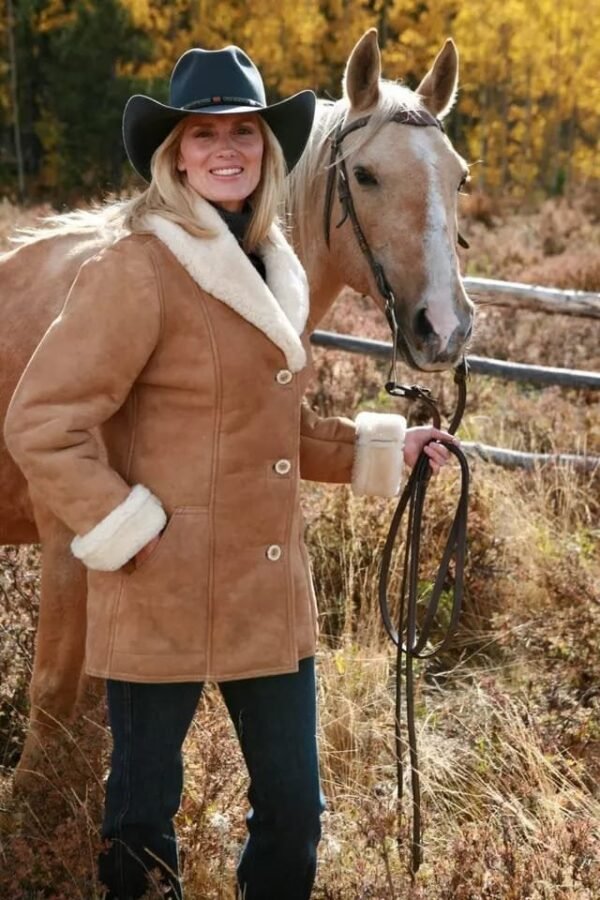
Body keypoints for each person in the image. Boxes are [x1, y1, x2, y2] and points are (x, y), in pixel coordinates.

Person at [3, 45, 456, 900]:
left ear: (266, 151)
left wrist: (382, 448)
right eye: (203, 133)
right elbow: (44, 422)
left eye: (242, 133)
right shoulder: (131, 268)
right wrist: (124, 531)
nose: (225, 148)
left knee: (295, 814)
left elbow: (266, 430)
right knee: (142, 823)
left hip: (263, 592)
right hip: (161, 592)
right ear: (175, 154)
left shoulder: (275, 271)